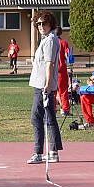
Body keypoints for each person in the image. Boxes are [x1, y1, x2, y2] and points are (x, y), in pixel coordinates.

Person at [27, 10, 63, 164]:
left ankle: (37, 153)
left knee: (36, 117)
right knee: (49, 117)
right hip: (41, 84)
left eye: (44, 23)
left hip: (43, 86)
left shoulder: (50, 40)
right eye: (39, 23)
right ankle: (53, 151)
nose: (41, 26)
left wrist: (48, 84)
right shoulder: (46, 39)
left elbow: (50, 63)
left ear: (51, 24)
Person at [55, 27, 71, 116]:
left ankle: (53, 108)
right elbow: (67, 55)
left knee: (53, 91)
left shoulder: (51, 42)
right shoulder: (63, 43)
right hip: (61, 69)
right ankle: (64, 109)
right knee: (63, 91)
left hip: (52, 69)